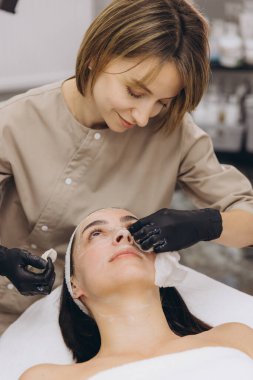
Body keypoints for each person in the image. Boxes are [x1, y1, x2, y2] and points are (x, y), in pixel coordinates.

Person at [1, 0, 253, 333]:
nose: (143, 116)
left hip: (95, 321)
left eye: (162, 102)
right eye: (135, 92)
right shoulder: (16, 121)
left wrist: (205, 224)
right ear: (97, 55)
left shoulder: (175, 135)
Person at [20, 208, 253, 380]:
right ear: (75, 285)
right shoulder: (47, 377)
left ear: (163, 264)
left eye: (135, 228)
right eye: (96, 234)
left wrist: (207, 222)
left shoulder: (234, 337)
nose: (124, 235)